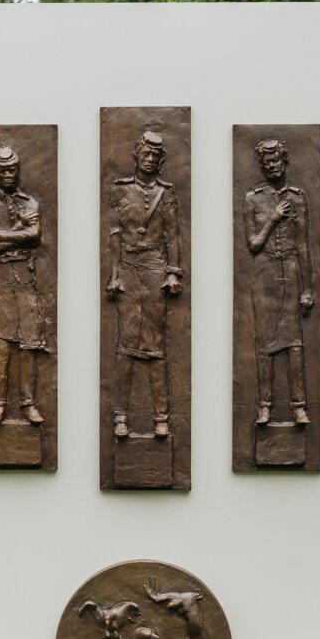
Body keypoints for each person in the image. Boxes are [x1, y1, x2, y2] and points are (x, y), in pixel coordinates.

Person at [106, 131, 183, 440]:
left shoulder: (167, 193)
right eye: (145, 154)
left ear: (160, 161)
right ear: (136, 155)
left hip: (155, 270)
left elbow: (173, 235)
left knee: (157, 346)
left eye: (155, 156)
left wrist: (173, 272)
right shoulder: (120, 189)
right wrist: (114, 275)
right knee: (125, 346)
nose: (150, 160)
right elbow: (114, 234)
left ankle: (161, 417)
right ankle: (120, 416)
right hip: (128, 268)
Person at [242, 137, 314, 427]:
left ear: (284, 162)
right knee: (265, 343)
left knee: (294, 342)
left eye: (276, 161)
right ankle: (265, 407)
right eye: (266, 163)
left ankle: (299, 407)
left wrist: (308, 289)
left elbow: (304, 246)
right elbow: (253, 244)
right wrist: (273, 218)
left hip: (291, 271)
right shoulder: (252, 199)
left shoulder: (297, 198)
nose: (272, 167)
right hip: (265, 274)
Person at [0, 146, 46, 427]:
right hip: (2, 277)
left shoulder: (31, 202)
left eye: (13, 170)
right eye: (3, 171)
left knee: (29, 341)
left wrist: (2, 234)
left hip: (25, 276)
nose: (9, 175)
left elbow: (35, 234)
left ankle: (28, 403)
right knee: (2, 340)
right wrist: (20, 230)